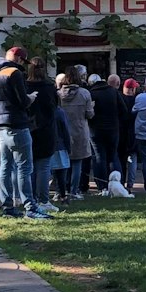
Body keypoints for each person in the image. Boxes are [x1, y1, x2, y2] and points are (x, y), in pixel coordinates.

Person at [0, 46, 44, 218]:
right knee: (24, 167)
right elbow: (23, 101)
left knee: (5, 165)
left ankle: (7, 208)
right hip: (16, 124)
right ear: (18, 59)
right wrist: (31, 97)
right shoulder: (14, 73)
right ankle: (30, 207)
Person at [24, 56, 61, 210]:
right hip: (46, 129)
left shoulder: (25, 86)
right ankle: (43, 200)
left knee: (30, 167)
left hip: (29, 128)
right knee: (44, 166)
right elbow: (54, 108)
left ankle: (31, 198)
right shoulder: (49, 87)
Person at [56, 68, 96, 199]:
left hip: (62, 132)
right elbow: (89, 114)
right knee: (77, 163)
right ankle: (74, 191)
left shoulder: (58, 94)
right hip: (79, 131)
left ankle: (61, 190)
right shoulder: (84, 93)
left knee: (62, 163)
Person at [89, 73, 121, 190]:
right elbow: (123, 110)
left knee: (99, 158)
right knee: (113, 156)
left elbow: (89, 113)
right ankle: (117, 182)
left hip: (96, 130)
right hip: (113, 129)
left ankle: (102, 185)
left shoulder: (91, 94)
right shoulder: (113, 92)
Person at [117, 78, 141, 190]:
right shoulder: (137, 101)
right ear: (132, 89)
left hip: (121, 132)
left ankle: (121, 182)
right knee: (133, 159)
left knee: (120, 159)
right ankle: (130, 184)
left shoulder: (119, 98)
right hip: (133, 132)